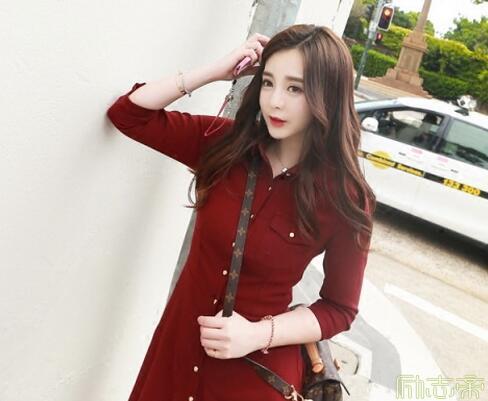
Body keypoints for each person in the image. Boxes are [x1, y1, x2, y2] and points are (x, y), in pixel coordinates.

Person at [107, 24, 376, 401]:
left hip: (252, 376)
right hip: (175, 358)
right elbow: (129, 114)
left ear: (327, 96)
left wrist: (256, 334)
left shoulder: (344, 196)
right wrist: (217, 71)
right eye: (268, 82)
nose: (275, 101)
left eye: (295, 88)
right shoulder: (225, 147)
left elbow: (339, 308)